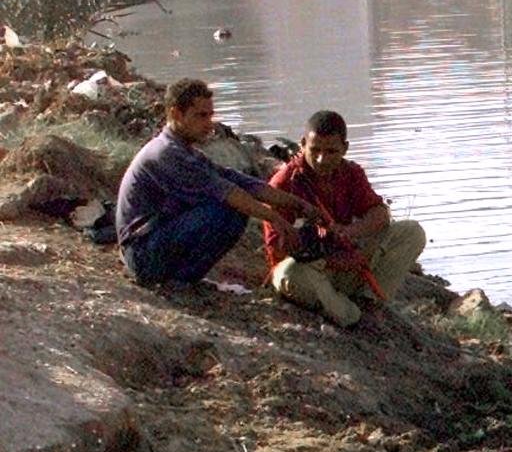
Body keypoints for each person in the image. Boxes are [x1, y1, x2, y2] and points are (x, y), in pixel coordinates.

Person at [115, 77, 318, 288]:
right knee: (227, 211)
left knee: (233, 207)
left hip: (152, 243)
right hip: (141, 252)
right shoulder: (168, 153)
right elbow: (231, 193)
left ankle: (182, 278)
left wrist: (299, 204)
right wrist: (275, 218)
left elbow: (240, 181)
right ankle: (178, 280)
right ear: (176, 114)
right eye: (201, 116)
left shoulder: (185, 151)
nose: (209, 124)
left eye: (210, 115)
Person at [262, 110, 428, 329]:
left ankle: (367, 301)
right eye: (315, 150)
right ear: (303, 144)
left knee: (411, 232)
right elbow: (278, 249)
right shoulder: (283, 184)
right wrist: (331, 259)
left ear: (345, 149)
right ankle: (353, 316)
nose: (322, 159)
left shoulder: (351, 173)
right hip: (309, 271)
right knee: (287, 274)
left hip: (346, 264)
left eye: (331, 151)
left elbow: (379, 214)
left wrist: (351, 232)